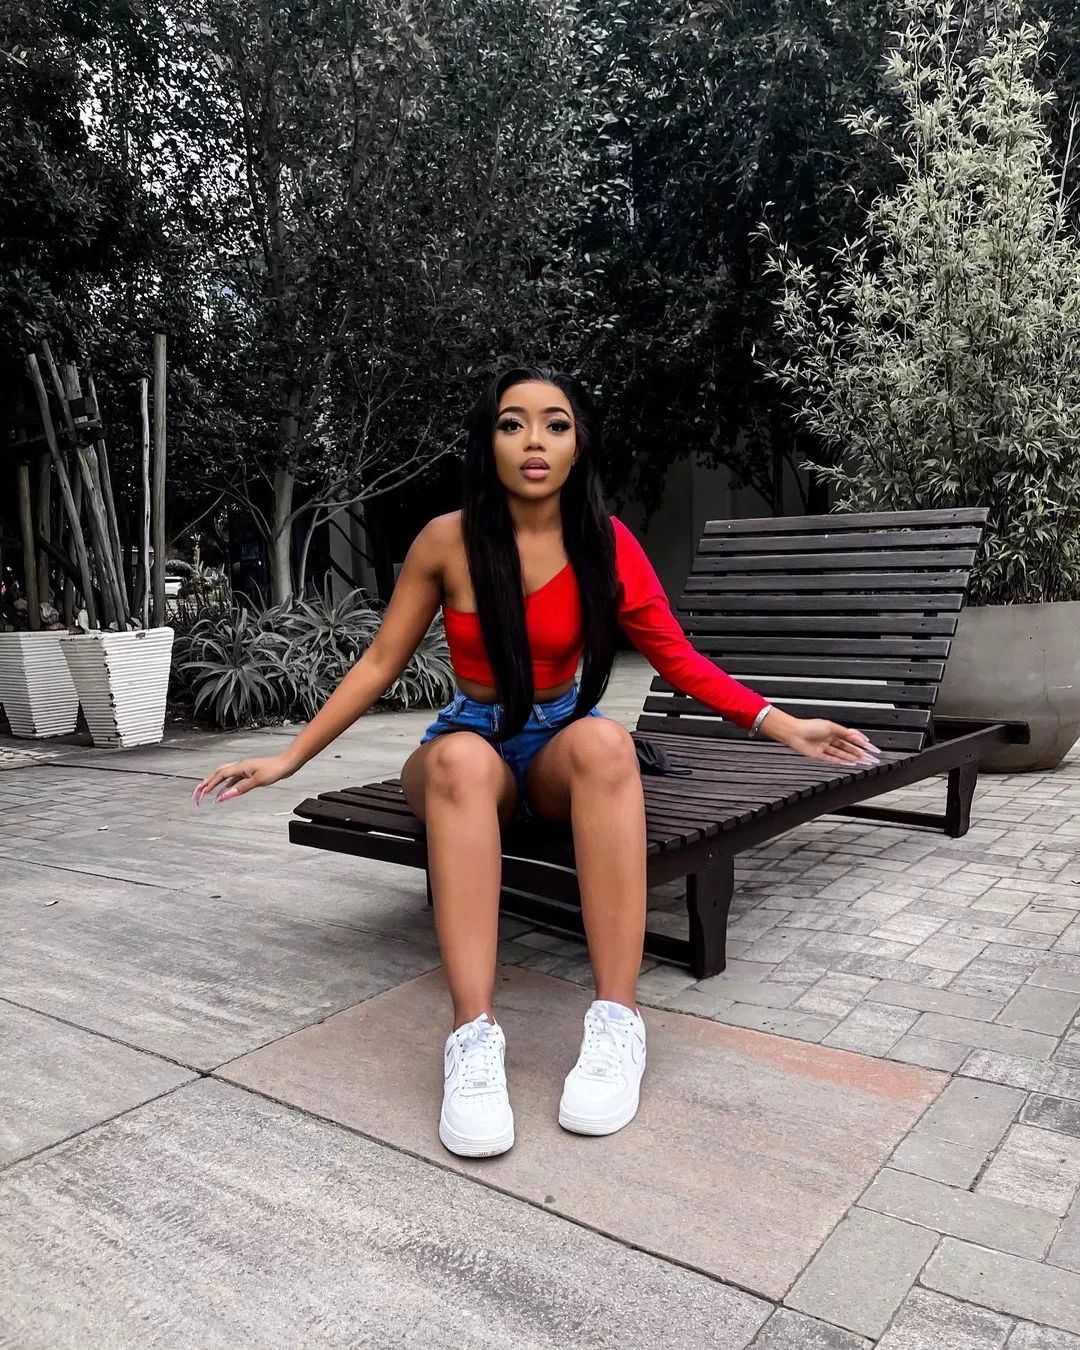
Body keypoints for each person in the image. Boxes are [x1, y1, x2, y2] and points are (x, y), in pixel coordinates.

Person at [193, 367, 879, 1159]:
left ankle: (618, 1022)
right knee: (460, 762)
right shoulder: (446, 541)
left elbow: (677, 659)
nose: (534, 442)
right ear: (488, 443)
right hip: (467, 743)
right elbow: (381, 662)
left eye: (555, 424)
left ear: (578, 443)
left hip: (557, 741)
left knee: (606, 742)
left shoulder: (606, 544)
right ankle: (473, 1038)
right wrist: (290, 757)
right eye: (512, 424)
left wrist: (781, 725)